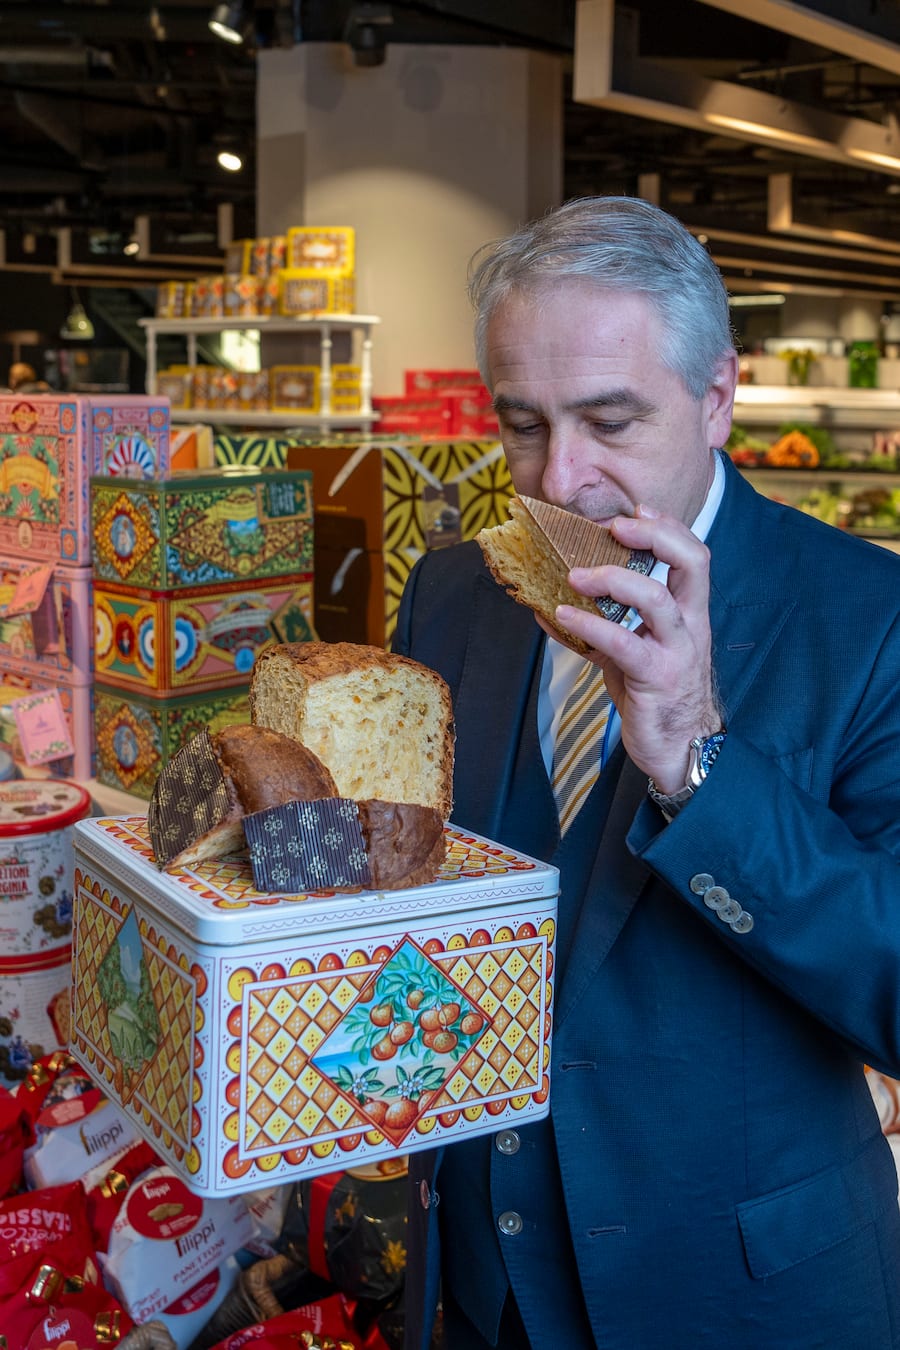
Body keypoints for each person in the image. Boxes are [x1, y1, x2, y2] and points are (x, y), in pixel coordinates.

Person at [392, 196, 900, 1349]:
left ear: (719, 396)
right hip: (482, 1289)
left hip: (744, 1295)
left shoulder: (871, 621)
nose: (560, 481)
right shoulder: (454, 594)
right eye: (521, 425)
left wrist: (698, 763)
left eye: (610, 421)